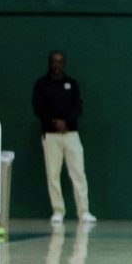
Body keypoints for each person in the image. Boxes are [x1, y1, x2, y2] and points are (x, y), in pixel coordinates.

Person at [32, 51, 94, 224]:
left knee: (78, 173)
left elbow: (78, 107)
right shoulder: (41, 84)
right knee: (53, 174)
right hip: (50, 136)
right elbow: (38, 108)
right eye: (54, 61)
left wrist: (67, 122)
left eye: (60, 62)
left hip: (71, 134)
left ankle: (84, 212)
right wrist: (53, 122)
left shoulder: (72, 84)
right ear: (49, 63)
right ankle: (58, 211)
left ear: (64, 63)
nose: (57, 65)